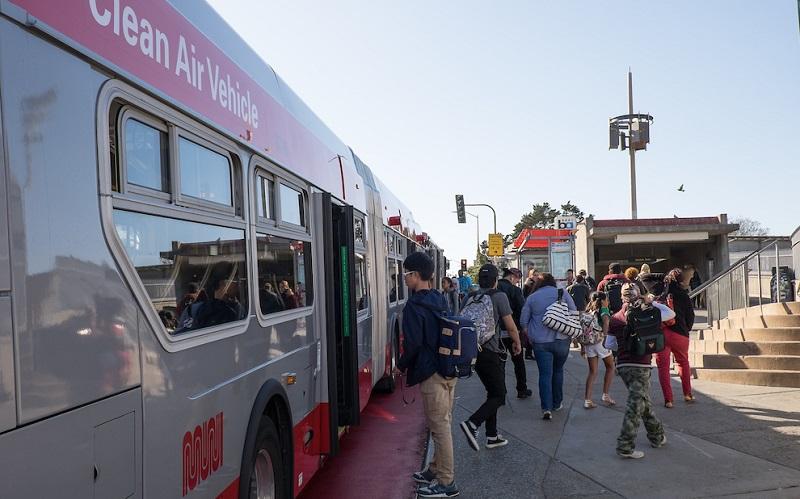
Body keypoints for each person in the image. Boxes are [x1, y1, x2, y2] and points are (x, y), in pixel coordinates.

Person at [397, 252, 459, 498]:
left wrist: (400, 366)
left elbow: (412, 344)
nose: (404, 279)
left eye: (405, 275)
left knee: (440, 427)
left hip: (432, 373)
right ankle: (434, 469)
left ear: (414, 275)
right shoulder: (439, 298)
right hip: (448, 368)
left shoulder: (413, 306)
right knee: (442, 422)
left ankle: (447, 482)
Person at [460, 264, 522, 452]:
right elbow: (510, 325)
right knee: (499, 395)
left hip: (472, 351)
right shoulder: (498, 296)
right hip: (490, 351)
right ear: (496, 280)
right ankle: (472, 423)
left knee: (492, 392)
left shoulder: (470, 296)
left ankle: (492, 435)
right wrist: (517, 342)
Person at [609, 283, 674, 459]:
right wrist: (651, 301)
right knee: (635, 405)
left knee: (641, 401)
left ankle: (657, 436)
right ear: (638, 295)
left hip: (623, 365)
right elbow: (670, 314)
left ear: (621, 297)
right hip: (642, 364)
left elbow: (608, 344)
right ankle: (625, 445)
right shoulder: (648, 311)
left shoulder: (615, 318)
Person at [520, 273, 576, 420]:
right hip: (562, 339)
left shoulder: (532, 297)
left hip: (540, 342)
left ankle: (546, 408)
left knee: (545, 374)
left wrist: (530, 337)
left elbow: (523, 322)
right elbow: (574, 312)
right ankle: (557, 403)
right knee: (558, 371)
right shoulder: (562, 292)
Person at [656, 268, 696, 408]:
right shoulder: (684, 295)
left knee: (663, 367)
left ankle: (668, 400)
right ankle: (687, 394)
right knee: (683, 362)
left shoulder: (660, 295)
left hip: (662, 334)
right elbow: (691, 316)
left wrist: (664, 276)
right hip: (680, 334)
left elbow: (646, 278)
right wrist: (686, 328)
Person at [497, 268, 532, 398]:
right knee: (518, 361)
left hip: (497, 332)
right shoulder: (515, 290)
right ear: (512, 277)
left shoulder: (495, 288)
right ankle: (521, 389)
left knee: (500, 363)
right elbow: (522, 310)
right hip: (513, 331)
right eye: (517, 279)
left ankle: (500, 392)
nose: (517, 283)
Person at [581, 292, 616, 409]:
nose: (608, 302)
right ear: (603, 300)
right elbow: (606, 321)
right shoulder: (604, 309)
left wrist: (582, 347)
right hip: (600, 341)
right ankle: (605, 394)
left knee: (592, 372)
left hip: (589, 343)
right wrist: (606, 337)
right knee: (611, 367)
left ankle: (587, 400)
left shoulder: (588, 310)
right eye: (607, 299)